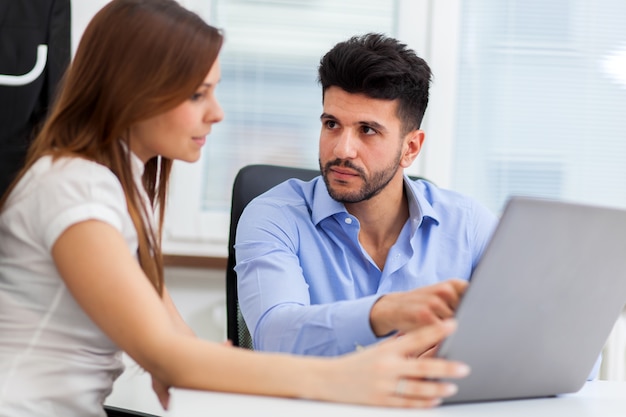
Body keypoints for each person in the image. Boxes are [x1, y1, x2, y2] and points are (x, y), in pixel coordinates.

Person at [0, 2, 471, 415]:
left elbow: (177, 349)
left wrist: (191, 365)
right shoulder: (74, 190)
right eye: (197, 94)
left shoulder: (117, 191)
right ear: (135, 92)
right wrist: (347, 377)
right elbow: (168, 357)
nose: (217, 112)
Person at [235, 33, 498, 356]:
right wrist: (386, 314)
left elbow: (544, 339)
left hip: (433, 408)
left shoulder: (469, 225)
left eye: (367, 130)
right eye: (332, 124)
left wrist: (461, 352)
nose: (342, 149)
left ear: (410, 148)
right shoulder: (274, 216)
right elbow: (274, 337)